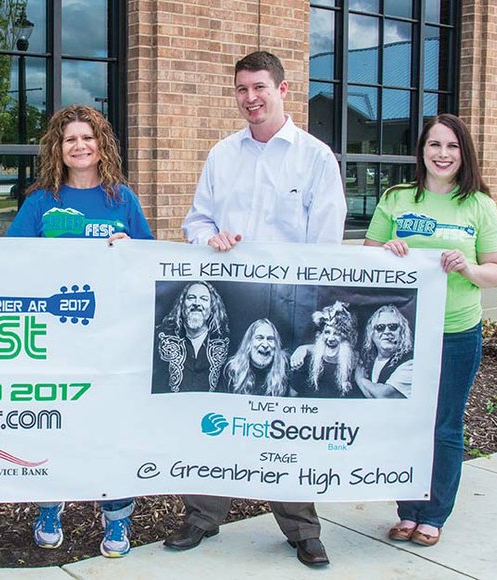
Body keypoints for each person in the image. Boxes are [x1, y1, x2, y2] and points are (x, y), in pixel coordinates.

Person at [170, 50, 346, 567]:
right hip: (228, 300)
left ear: (283, 89)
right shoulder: (222, 154)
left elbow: (327, 244)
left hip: (288, 306)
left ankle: (302, 529)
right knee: (216, 407)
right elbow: (194, 221)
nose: (250, 98)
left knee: (282, 415)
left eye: (259, 88)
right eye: (242, 89)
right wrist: (211, 236)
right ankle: (202, 516)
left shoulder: (315, 157)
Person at [6, 104, 153, 557]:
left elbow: (150, 262)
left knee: (111, 427)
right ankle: (51, 503)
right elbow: (6, 264)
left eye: (87, 137)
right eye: (70, 139)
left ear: (101, 144)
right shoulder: (40, 202)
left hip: (111, 339)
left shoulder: (121, 200)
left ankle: (116, 518)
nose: (80, 146)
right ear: (58, 148)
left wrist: (130, 250)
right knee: (58, 422)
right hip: (57, 339)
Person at [364, 113, 497, 546]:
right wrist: (388, 250)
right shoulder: (397, 198)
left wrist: (468, 266)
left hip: (456, 332)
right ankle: (407, 511)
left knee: (444, 425)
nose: (442, 154)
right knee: (407, 421)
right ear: (421, 150)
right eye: (434, 145)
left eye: (452, 147)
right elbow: (368, 258)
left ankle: (434, 514)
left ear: (464, 154)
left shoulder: (479, 205)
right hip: (403, 336)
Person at [152, 281, 230, 393]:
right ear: (182, 304)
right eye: (191, 297)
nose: (197, 303)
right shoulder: (160, 336)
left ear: (212, 307)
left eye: (204, 299)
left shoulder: (225, 342)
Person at [291, 301, 364, 399]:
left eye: (337, 334)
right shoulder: (306, 361)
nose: (330, 338)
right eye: (327, 332)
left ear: (346, 338)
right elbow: (292, 396)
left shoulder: (354, 365)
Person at [355, 305, 414, 399]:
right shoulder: (368, 362)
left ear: (402, 332)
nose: (387, 332)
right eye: (380, 327)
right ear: (372, 334)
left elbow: (384, 395)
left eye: (393, 327)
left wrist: (360, 379)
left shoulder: (411, 362)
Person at [222, 318, 290, 396]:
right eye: (259, 338)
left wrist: (305, 349)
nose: (265, 345)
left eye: (270, 339)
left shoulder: (285, 368)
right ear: (249, 343)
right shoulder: (232, 370)